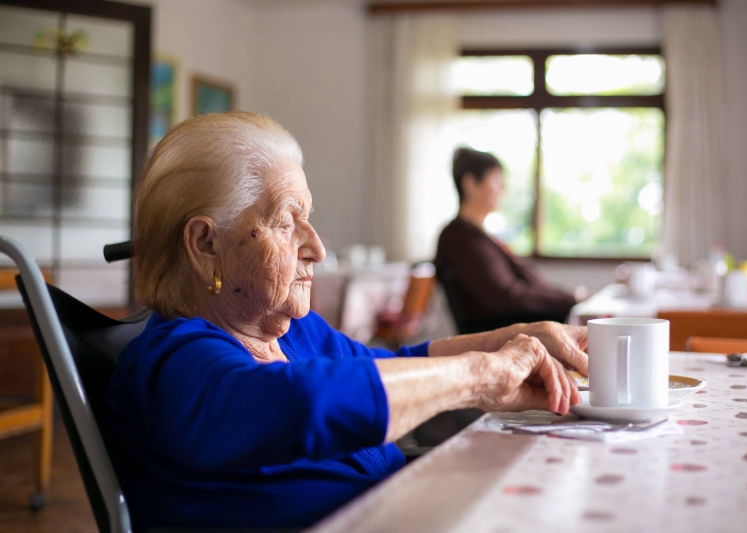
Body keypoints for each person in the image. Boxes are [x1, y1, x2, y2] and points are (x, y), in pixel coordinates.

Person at [103, 112, 588, 531]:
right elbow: (301, 402)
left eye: (308, 218)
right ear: (206, 245)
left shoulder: (295, 331)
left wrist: (523, 338)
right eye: (286, 221)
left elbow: (397, 363)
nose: (317, 247)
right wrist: (483, 378)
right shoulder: (172, 363)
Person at [435, 147, 583, 333]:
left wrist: (570, 296)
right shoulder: (461, 238)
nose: (502, 188)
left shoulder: (477, 236)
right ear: (470, 184)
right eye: (496, 180)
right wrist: (570, 299)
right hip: (504, 333)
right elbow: (507, 296)